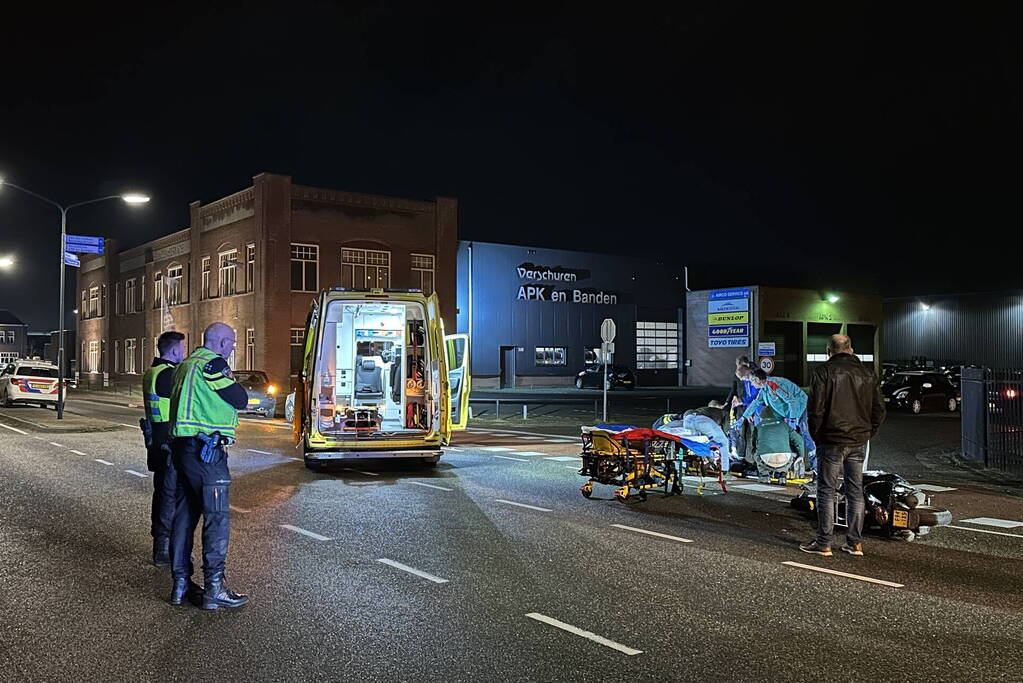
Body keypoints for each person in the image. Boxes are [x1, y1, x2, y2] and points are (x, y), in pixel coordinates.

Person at [167, 323, 250, 609]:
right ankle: (215, 588)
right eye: (232, 343)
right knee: (217, 519)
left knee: (184, 517)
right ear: (220, 342)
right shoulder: (212, 365)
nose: (233, 348)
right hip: (207, 451)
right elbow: (240, 399)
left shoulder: (185, 365)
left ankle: (180, 584)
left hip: (181, 450)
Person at [800, 334, 886, 558]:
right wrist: (868, 432)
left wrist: (817, 436)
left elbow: (815, 411)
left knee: (826, 491)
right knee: (855, 491)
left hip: (831, 440)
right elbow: (879, 410)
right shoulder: (868, 373)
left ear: (830, 350)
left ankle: (824, 543)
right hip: (858, 441)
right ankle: (854, 543)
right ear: (851, 349)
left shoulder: (823, 372)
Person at [141, 330, 186, 567]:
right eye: (183, 348)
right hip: (168, 442)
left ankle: (161, 543)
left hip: (157, 440)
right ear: (175, 349)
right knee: (169, 496)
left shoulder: (153, 371)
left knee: (162, 494)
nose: (184, 352)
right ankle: (163, 547)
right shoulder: (168, 375)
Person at [742, 368, 817, 468]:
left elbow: (792, 401)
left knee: (806, 434)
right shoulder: (764, 389)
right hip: (789, 414)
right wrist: (744, 417)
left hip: (802, 408)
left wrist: (792, 419)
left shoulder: (774, 384)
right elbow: (756, 402)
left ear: (757, 379)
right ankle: (791, 465)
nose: (751, 384)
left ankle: (816, 466)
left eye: (751, 381)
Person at [748, 406, 806, 484]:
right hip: (785, 460)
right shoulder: (784, 425)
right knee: (790, 447)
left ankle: (764, 475)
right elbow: (799, 439)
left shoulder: (758, 427)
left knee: (755, 452)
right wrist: (801, 455)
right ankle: (782, 475)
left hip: (766, 460)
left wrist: (753, 453)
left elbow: (753, 443)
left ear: (761, 417)